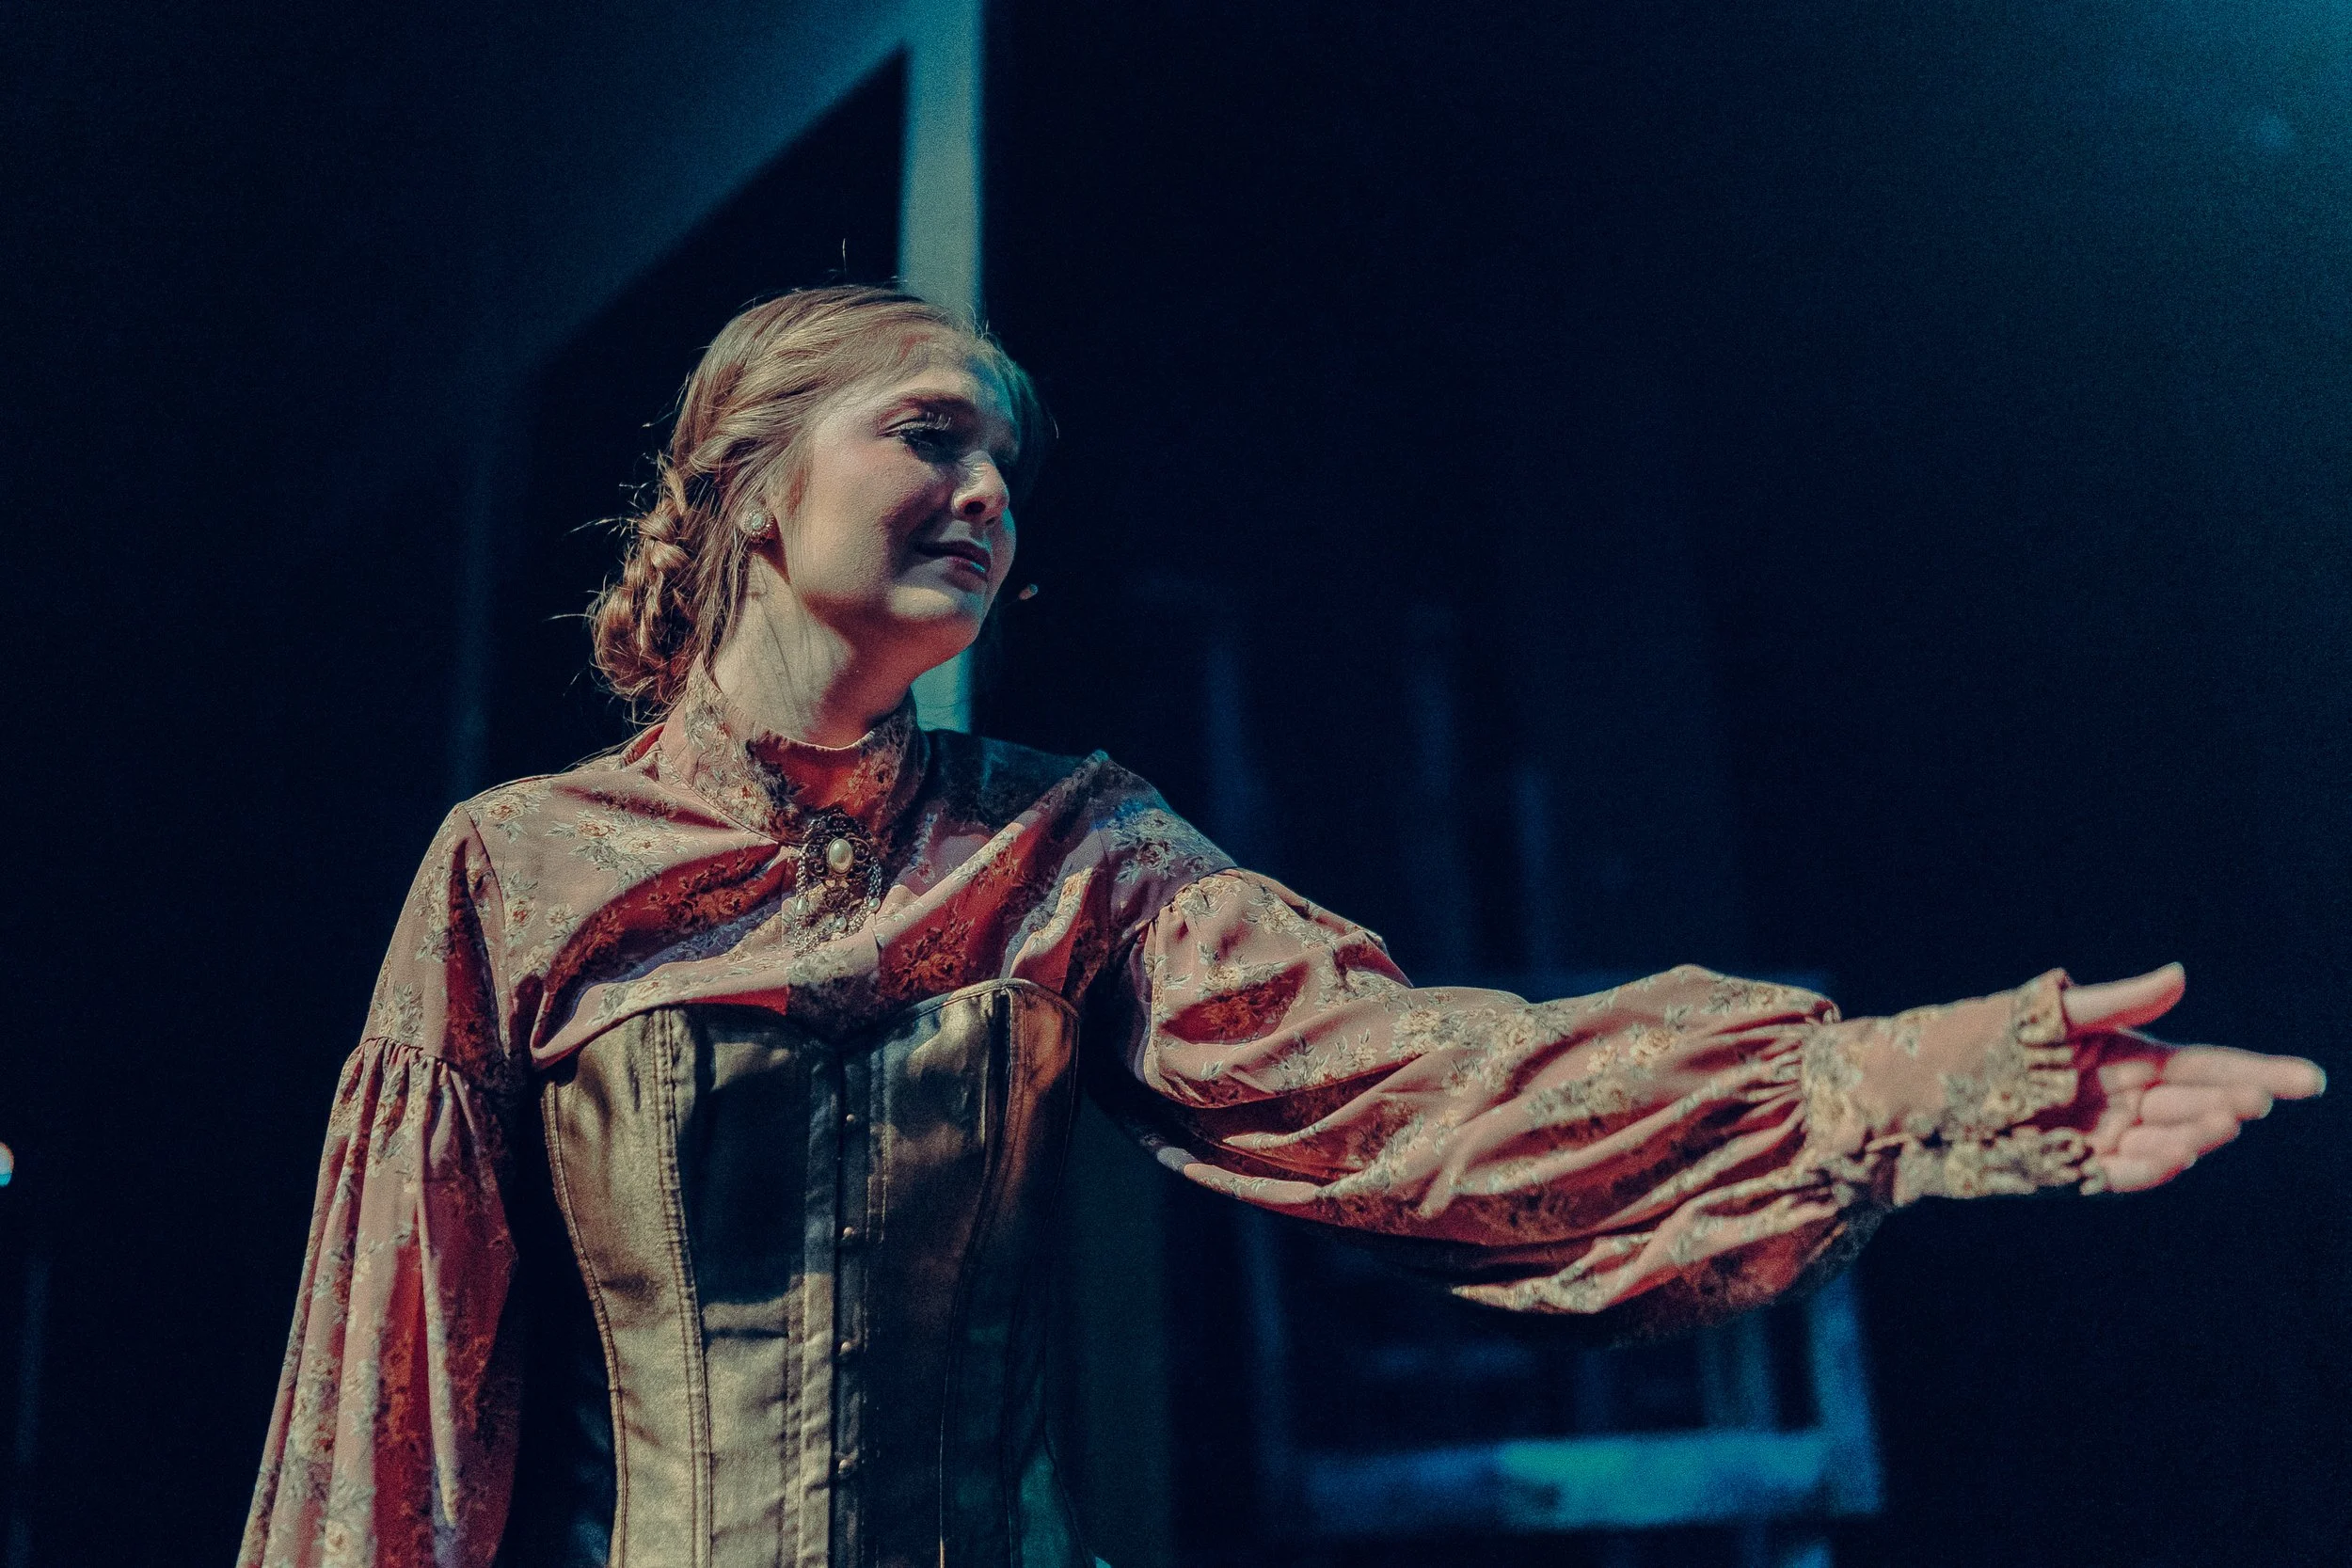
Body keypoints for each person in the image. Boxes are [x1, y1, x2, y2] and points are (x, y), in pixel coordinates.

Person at [238, 285, 2324, 1568]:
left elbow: (1423, 1095)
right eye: (927, 437)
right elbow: (395, 1391)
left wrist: (1931, 1074)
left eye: (1008, 465)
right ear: (750, 485)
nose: (985, 492)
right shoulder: (523, 866)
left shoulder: (1072, 846)